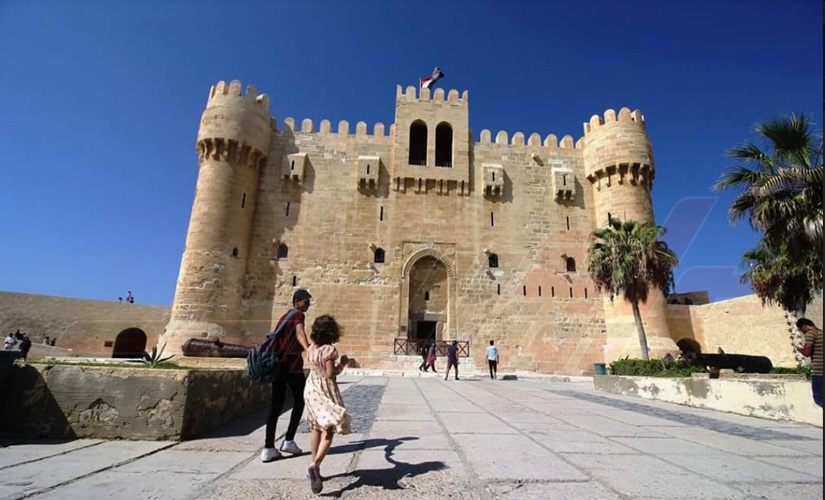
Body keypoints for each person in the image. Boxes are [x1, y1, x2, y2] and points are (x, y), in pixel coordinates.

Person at [261, 289, 312, 463]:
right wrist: (308, 349)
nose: (308, 305)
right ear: (297, 301)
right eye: (306, 302)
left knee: (275, 405)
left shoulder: (284, 317)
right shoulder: (298, 315)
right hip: (292, 366)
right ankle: (289, 440)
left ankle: (268, 448)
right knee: (300, 400)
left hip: (278, 366)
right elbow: (299, 332)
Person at [304, 314, 350, 495]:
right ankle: (315, 465)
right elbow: (330, 374)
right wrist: (342, 365)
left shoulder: (312, 348)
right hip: (324, 390)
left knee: (315, 427)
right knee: (329, 428)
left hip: (311, 388)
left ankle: (314, 465)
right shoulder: (329, 350)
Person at [796, 318, 823, 408]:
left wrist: (799, 348)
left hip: (819, 372)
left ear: (805, 327)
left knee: (819, 399)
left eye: (802, 330)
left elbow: (807, 353)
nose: (803, 333)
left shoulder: (810, 334)